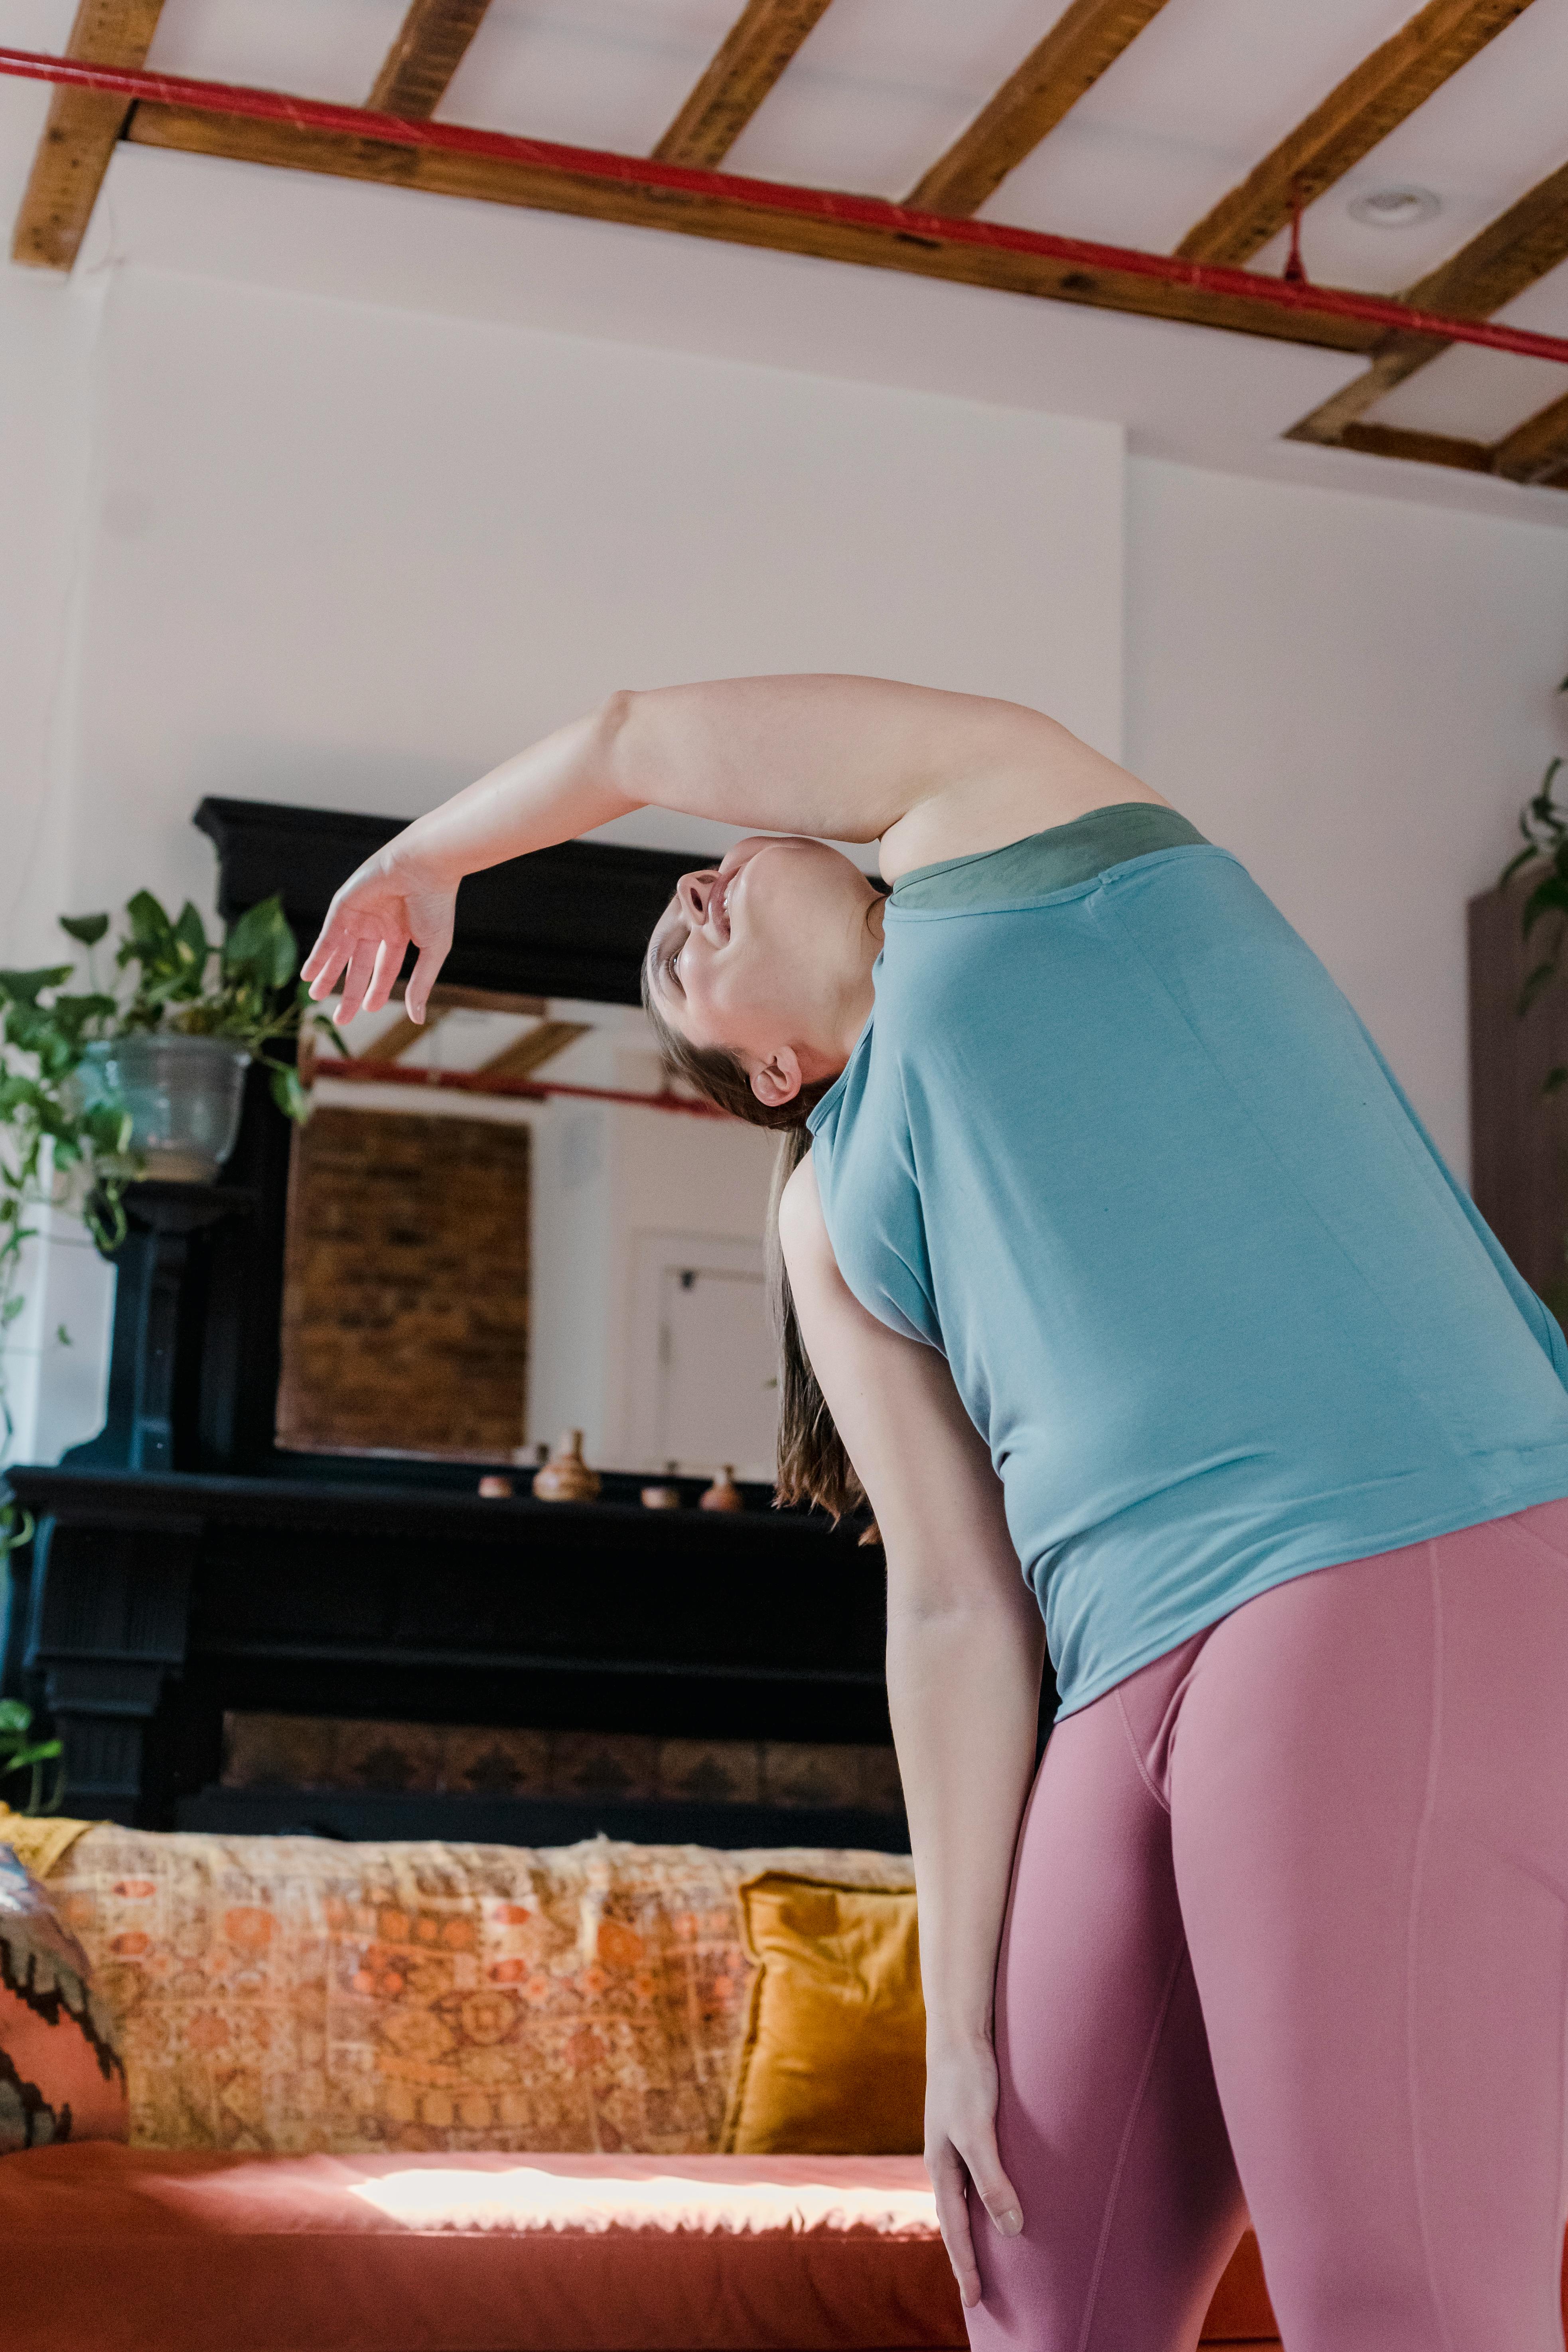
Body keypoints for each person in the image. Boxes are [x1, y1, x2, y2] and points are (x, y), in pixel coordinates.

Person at [302, 674, 1568, 2352]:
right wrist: (954, 2020)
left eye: (698, 885)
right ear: (769, 1072)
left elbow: (632, 736)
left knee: (1393, 2304)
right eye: (676, 963)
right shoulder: (828, 1211)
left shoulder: (1005, 821)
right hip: (1125, 1673)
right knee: (1033, 2286)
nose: (689, 897)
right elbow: (959, 1601)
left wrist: (428, 857)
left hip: (1374, 1540)